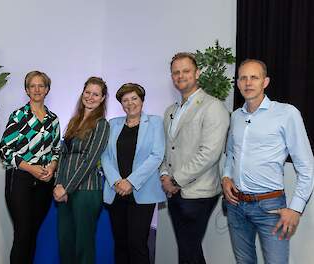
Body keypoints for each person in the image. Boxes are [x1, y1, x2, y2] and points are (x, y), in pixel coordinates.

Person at [222, 59, 314, 264]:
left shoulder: (286, 113)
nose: (248, 83)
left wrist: (296, 208)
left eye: (254, 77)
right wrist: (226, 176)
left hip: (271, 208)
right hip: (237, 206)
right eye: (243, 78)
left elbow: (306, 165)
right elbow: (231, 152)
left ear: (265, 82)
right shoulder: (236, 116)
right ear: (237, 83)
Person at [160, 52, 229, 264]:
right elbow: (167, 148)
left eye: (186, 71)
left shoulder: (213, 106)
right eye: (176, 72)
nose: (180, 76)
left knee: (188, 251)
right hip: (174, 192)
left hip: (199, 193)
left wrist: (175, 180)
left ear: (197, 73)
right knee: (188, 251)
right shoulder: (171, 110)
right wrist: (164, 174)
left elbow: (209, 153)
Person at [0, 70, 61, 264]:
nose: (37, 89)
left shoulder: (53, 120)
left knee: (33, 232)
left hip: (44, 182)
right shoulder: (18, 116)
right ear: (26, 90)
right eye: (32, 86)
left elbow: (57, 150)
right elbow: (4, 151)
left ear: (47, 89)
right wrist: (31, 168)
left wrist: (52, 166)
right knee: (23, 233)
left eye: (41, 85)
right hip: (20, 180)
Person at [101, 83, 166, 264]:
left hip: (142, 192)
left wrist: (130, 182)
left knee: (137, 244)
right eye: (125, 100)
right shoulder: (113, 124)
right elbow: (105, 156)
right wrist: (116, 181)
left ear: (142, 100)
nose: (130, 103)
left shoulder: (155, 122)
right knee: (120, 243)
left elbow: (157, 155)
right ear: (121, 104)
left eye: (134, 98)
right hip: (116, 192)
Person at [54, 77, 110, 264]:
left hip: (86, 192)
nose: (90, 97)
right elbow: (63, 155)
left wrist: (66, 188)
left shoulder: (101, 124)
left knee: (83, 247)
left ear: (102, 99)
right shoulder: (73, 121)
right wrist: (57, 185)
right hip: (64, 191)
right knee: (65, 244)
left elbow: (90, 160)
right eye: (88, 92)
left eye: (96, 94)